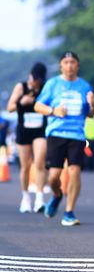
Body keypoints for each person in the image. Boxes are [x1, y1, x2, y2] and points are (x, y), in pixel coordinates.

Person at [34, 51, 94, 227]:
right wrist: (53, 111)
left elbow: (91, 114)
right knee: (53, 177)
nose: (69, 65)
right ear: (61, 66)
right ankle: (57, 194)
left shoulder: (84, 86)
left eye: (73, 62)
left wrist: (92, 105)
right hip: (56, 134)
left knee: (75, 170)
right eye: (66, 62)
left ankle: (69, 212)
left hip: (77, 135)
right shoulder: (53, 84)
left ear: (78, 66)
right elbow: (37, 105)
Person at [7, 62, 48, 213]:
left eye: (39, 80)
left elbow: (51, 106)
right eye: (35, 79)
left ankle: (39, 198)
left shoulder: (45, 88)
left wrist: (38, 103)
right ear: (30, 76)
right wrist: (21, 102)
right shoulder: (21, 87)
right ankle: (25, 197)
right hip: (24, 130)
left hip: (40, 130)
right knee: (25, 166)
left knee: (40, 163)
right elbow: (10, 107)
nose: (36, 82)